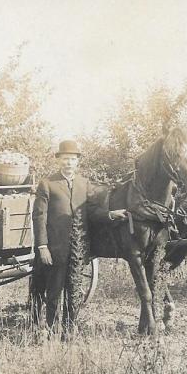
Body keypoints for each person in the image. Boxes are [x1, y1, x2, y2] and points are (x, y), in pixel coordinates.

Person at [30, 140, 127, 331]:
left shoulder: (84, 184)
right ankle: (50, 331)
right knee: (54, 292)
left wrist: (110, 215)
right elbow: (39, 217)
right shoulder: (47, 184)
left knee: (74, 291)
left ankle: (69, 331)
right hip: (55, 250)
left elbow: (91, 212)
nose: (68, 163)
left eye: (72, 159)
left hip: (78, 250)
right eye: (65, 159)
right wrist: (43, 247)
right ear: (58, 160)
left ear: (77, 162)